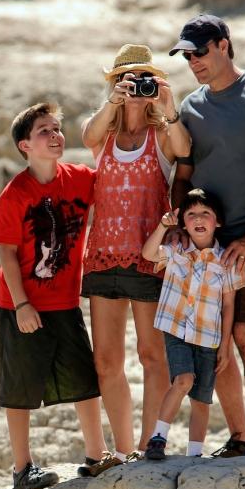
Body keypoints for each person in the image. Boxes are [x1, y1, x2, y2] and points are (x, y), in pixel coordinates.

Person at [169, 14, 245, 459]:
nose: (193, 62)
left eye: (199, 52)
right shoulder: (189, 107)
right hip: (206, 241)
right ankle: (239, 438)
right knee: (210, 337)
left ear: (224, 45)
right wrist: (180, 227)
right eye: (187, 56)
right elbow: (183, 174)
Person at [0, 102, 114, 489]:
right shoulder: (14, 195)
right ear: (25, 145)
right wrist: (23, 304)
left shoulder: (80, 179)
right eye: (44, 131)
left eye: (57, 129)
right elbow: (7, 254)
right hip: (21, 305)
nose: (55, 136)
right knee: (20, 387)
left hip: (65, 302)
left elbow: (114, 180)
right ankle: (22, 468)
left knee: (84, 379)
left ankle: (97, 456)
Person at [81, 44, 191, 462]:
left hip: (149, 259)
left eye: (142, 80)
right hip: (104, 256)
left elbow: (182, 148)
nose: (135, 89)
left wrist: (167, 103)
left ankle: (150, 445)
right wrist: (114, 102)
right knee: (107, 360)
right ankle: (122, 449)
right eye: (127, 81)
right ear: (113, 85)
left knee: (152, 355)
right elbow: (87, 136)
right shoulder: (104, 136)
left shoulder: (161, 133)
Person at [142, 189, 244, 460]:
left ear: (217, 222)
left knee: (201, 399)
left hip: (209, 336)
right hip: (176, 328)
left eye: (205, 214)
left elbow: (229, 305)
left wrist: (226, 345)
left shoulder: (227, 262)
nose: (198, 218)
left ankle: (194, 456)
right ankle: (158, 438)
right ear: (183, 223)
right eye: (191, 214)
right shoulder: (176, 250)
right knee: (183, 380)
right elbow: (149, 253)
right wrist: (164, 226)